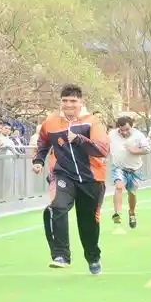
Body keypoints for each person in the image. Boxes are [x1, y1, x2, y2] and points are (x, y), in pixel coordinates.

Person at [32, 84, 110, 275]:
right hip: (63, 174)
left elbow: (102, 150)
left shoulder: (92, 122)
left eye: (73, 101)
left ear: (80, 102)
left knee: (88, 223)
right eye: (65, 101)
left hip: (92, 179)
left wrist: (78, 139)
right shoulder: (51, 121)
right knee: (55, 207)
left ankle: (93, 257)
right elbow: (43, 142)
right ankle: (60, 255)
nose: (68, 104)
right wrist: (39, 160)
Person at [108, 116, 151, 228]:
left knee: (132, 193)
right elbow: (105, 145)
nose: (124, 132)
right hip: (118, 167)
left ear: (132, 126)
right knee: (119, 187)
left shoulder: (138, 135)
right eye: (121, 130)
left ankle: (131, 213)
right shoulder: (112, 134)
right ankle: (117, 213)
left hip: (134, 169)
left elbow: (147, 149)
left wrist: (134, 150)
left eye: (127, 129)